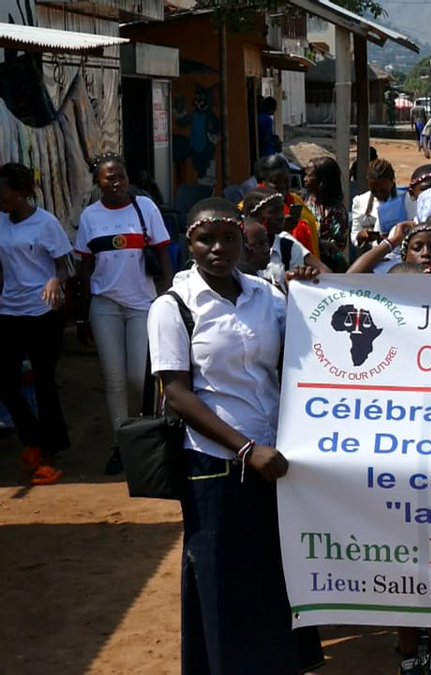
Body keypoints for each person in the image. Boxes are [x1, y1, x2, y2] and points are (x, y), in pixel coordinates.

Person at [148, 197, 324, 675]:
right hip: (216, 465)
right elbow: (178, 394)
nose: (218, 249)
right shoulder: (173, 307)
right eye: (207, 239)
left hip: (276, 463)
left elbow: (297, 362)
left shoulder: (267, 297)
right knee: (222, 580)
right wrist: (247, 450)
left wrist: (310, 298)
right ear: (191, 242)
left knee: (273, 575)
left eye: (229, 238)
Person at [76, 154, 174, 473]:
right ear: (98, 183)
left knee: (139, 377)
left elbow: (163, 253)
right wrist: (82, 311)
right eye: (109, 177)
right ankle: (121, 444)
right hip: (104, 305)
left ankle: (153, 436)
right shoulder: (90, 216)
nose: (116, 181)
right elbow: (86, 266)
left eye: (121, 175)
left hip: (141, 304)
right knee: (114, 379)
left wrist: (169, 296)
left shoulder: (145, 208)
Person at [0, 163, 72, 485]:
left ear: (21, 193)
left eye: (3, 194)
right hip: (9, 310)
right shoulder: (0, 221)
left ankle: (50, 455)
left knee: (43, 383)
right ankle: (33, 440)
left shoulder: (46, 224)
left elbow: (65, 264)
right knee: (5, 380)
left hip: (43, 312)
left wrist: (55, 281)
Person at [242, 189, 328, 290]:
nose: (280, 216)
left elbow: (297, 290)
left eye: (281, 210)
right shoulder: (238, 247)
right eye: (272, 212)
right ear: (253, 216)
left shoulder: (288, 247)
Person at [255, 154, 321, 261]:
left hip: (307, 267)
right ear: (262, 182)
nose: (284, 186)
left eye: (287, 181)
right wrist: (275, 228)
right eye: (276, 182)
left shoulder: (296, 200)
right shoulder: (250, 206)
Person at [304, 156, 351, 272]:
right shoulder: (303, 202)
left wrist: (316, 242)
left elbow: (336, 245)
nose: (305, 179)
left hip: (329, 268)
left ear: (322, 181)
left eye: (309, 175)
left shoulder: (336, 210)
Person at [351, 159, 410, 249]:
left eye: (383, 190)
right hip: (373, 255)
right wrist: (360, 236)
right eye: (374, 191)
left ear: (392, 181)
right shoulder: (361, 202)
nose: (379, 194)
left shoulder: (405, 200)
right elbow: (355, 234)